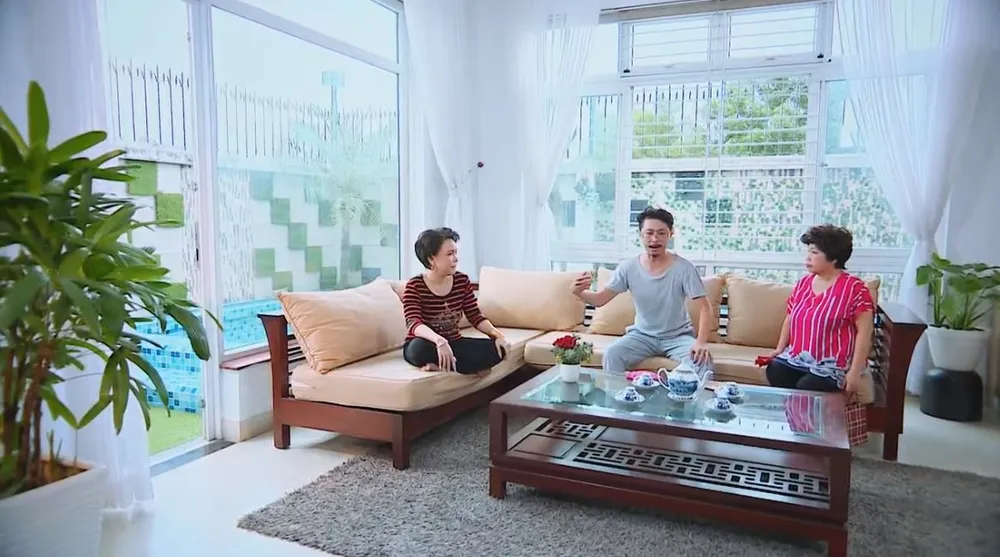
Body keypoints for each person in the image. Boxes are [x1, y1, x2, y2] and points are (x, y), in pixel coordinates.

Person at [570, 207, 715, 376]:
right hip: (641, 336)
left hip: (678, 337)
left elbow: (705, 307)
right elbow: (600, 299)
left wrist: (701, 342)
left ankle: (670, 389)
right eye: (649, 233)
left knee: (703, 362)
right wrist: (578, 292)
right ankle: (620, 393)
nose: (655, 239)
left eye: (661, 233)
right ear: (641, 235)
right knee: (612, 354)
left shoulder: (684, 268)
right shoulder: (628, 267)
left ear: (671, 234)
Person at [765, 224, 874, 399]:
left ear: (833, 258)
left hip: (833, 365)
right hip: (799, 359)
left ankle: (806, 415)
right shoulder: (803, 283)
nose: (808, 258)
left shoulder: (855, 288)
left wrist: (854, 372)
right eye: (808, 252)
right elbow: (790, 318)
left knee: (808, 386)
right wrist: (780, 349)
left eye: (814, 253)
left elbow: (865, 332)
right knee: (775, 369)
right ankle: (791, 414)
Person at [401, 227, 509, 374]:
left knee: (498, 349)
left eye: (456, 253)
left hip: (455, 343)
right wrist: (439, 341)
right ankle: (467, 368)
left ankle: (444, 366)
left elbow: (475, 316)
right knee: (418, 350)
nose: (456, 259)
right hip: (427, 343)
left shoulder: (461, 281)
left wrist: (497, 335)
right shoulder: (415, 286)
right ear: (431, 259)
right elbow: (413, 323)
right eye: (450, 254)